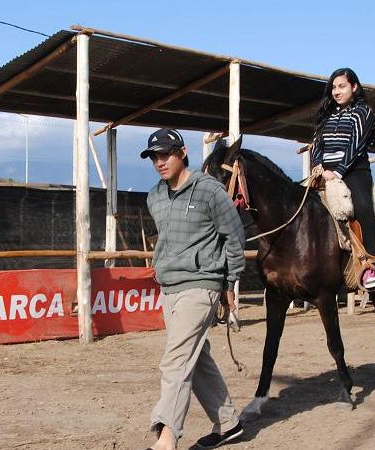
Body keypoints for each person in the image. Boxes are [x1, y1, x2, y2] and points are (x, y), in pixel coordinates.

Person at [141, 128, 245, 450]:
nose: (160, 162)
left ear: (183, 152)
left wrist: (229, 282)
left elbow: (234, 237)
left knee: (175, 360)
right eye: (154, 157)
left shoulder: (210, 191)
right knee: (194, 358)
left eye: (166, 154)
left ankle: (167, 436)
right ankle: (228, 423)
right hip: (169, 288)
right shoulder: (154, 196)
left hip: (201, 286)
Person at [311, 67, 375, 290]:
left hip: (354, 171)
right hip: (324, 171)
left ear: (354, 87)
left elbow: (356, 145)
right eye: (333, 87)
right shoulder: (327, 115)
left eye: (341, 86)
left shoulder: (363, 112)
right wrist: (317, 165)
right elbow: (317, 144)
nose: (336, 91)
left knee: (361, 206)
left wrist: (338, 172)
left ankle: (368, 264)